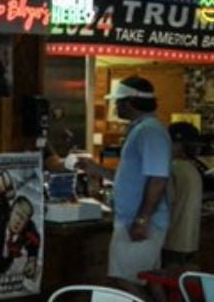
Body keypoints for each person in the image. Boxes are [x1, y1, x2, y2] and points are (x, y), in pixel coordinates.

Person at [78, 76, 170, 283]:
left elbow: (158, 179)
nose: (115, 107)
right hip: (134, 219)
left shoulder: (149, 131)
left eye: (117, 102)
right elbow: (131, 178)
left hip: (140, 222)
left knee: (125, 280)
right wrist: (96, 169)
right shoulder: (141, 129)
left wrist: (142, 220)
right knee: (147, 280)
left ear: (130, 103)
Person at [163, 122, 203, 268]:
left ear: (177, 145)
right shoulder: (190, 168)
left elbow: (166, 200)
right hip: (189, 239)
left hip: (173, 239)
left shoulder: (173, 168)